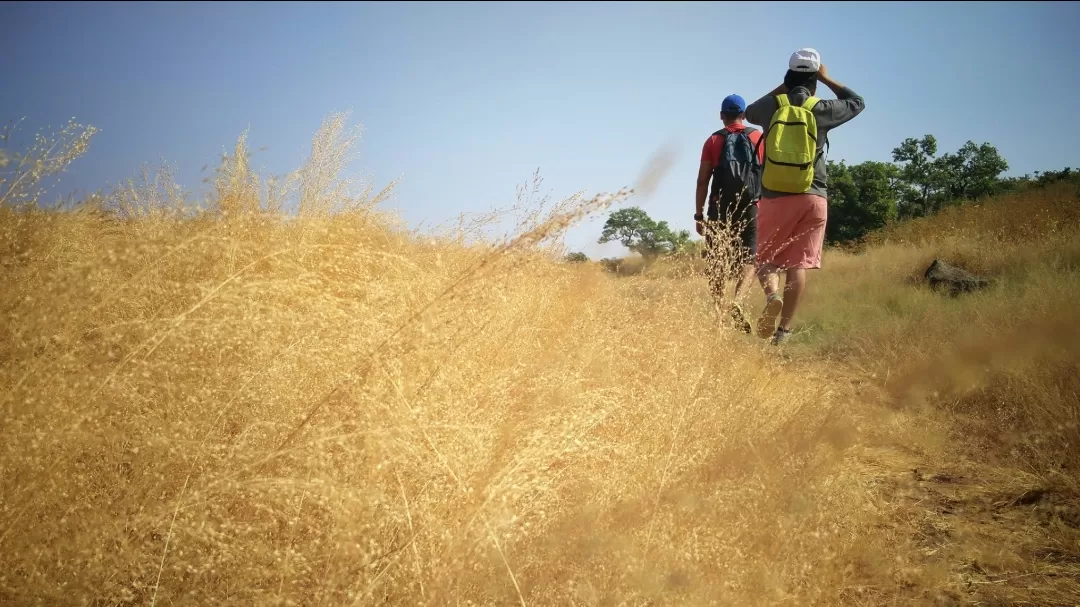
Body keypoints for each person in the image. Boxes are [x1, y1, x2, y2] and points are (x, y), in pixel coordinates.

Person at [745, 48, 865, 345]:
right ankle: (783, 333)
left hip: (774, 194)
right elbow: (857, 102)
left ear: (787, 77)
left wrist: (783, 87)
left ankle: (773, 296)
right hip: (813, 195)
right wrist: (826, 79)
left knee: (767, 258)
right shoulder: (822, 107)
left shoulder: (772, 106)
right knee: (798, 264)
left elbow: (748, 111)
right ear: (814, 81)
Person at [694, 93, 766, 333]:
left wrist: (698, 214)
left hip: (719, 208)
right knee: (750, 258)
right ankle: (738, 301)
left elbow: (702, 180)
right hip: (751, 206)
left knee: (717, 261)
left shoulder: (713, 141)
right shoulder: (757, 137)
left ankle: (718, 314)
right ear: (744, 115)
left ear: (722, 115)